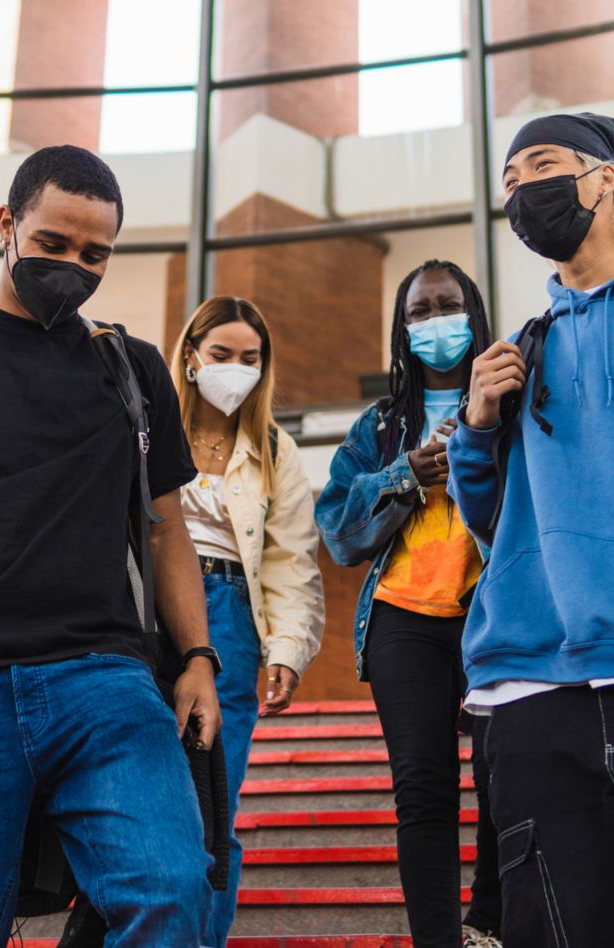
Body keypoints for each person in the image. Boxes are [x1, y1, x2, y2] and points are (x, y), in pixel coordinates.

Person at [0, 145, 220, 947]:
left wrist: (197, 660)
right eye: (53, 245)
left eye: (95, 254)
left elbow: (166, 526)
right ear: (7, 225)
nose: (74, 268)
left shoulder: (132, 367)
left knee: (172, 895)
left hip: (105, 682)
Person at [446, 111, 614, 946]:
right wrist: (477, 423)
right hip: (533, 681)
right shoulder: (519, 350)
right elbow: (489, 519)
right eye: (508, 182)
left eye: (540, 166)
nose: (522, 192)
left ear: (605, 176)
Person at [315, 260, 501, 948]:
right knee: (422, 790)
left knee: (502, 774)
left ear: (473, 313)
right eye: (419, 313)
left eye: (446, 306)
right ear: (402, 328)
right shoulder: (381, 424)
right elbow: (336, 531)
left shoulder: (509, 397)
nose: (433, 323)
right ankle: (439, 941)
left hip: (495, 613)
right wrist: (404, 475)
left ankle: (489, 924)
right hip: (403, 620)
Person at [170, 295, 324, 946]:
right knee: (144, 802)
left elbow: (293, 559)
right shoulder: (150, 425)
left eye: (251, 359)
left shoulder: (273, 448)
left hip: (232, 619)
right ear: (191, 355)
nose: (236, 369)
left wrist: (287, 648)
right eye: (222, 355)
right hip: (148, 617)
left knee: (215, 803)